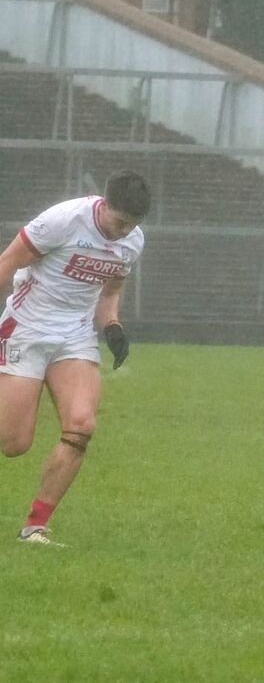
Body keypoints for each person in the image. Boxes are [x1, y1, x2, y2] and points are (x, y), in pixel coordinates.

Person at [0, 171, 151, 545]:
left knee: (81, 425)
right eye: (118, 222)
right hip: (27, 328)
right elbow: (7, 263)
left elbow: (111, 289)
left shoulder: (132, 240)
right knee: (14, 443)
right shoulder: (63, 220)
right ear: (104, 204)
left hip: (75, 337)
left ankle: (35, 528)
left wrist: (112, 325)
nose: (122, 232)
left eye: (131, 225)